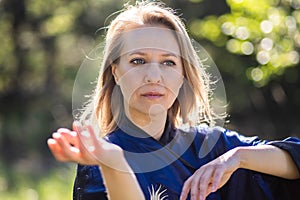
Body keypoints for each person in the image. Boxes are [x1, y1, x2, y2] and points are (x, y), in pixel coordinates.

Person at [47, 1, 300, 200]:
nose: (153, 77)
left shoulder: (212, 146)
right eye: (138, 61)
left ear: (182, 75)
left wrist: (239, 157)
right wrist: (114, 165)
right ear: (116, 72)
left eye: (168, 62)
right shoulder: (100, 160)